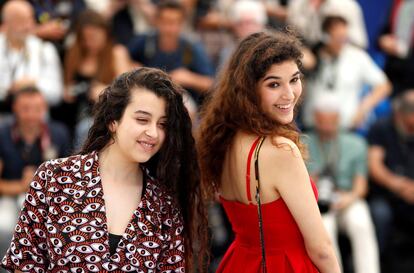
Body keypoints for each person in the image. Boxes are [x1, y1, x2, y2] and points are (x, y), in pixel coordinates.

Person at [1, 68, 208, 273]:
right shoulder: (53, 178)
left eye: (162, 124)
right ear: (113, 121)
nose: (153, 133)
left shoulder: (164, 204)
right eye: (142, 119)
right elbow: (25, 265)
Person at [197, 31, 340, 273]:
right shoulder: (280, 150)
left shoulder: (224, 137)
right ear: (249, 90)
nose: (289, 94)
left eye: (294, 79)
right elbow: (322, 248)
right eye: (274, 84)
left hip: (239, 263)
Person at [303, 93, 380, 273]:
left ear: (338, 119)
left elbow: (361, 186)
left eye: (331, 121)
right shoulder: (303, 143)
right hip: (316, 201)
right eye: (322, 121)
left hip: (348, 198)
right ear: (315, 118)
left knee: (361, 222)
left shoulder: (356, 143)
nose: (327, 127)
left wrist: (349, 198)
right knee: (325, 229)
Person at [0, 86, 70, 262]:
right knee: (4, 226)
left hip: (49, 199)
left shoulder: (59, 134)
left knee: (55, 230)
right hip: (10, 195)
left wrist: (39, 186)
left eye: (37, 109)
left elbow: (69, 180)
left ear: (45, 108)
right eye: (25, 109)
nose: (32, 115)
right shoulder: (2, 134)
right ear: (14, 108)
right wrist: (21, 186)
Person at [302, 15, 391, 130]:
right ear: (325, 37)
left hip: (345, 127)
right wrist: (305, 64)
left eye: (344, 38)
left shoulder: (356, 56)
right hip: (312, 126)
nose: (342, 42)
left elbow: (384, 85)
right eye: (337, 38)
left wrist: (363, 108)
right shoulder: (312, 55)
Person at [56, 9, 132, 133]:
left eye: (94, 37)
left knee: (85, 128)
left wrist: (105, 91)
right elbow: (66, 84)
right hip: (73, 112)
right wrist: (67, 90)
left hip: (101, 113)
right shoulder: (73, 54)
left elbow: (127, 89)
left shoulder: (116, 53)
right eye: (85, 38)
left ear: (105, 33)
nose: (90, 43)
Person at [128, 0, 214, 105]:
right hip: (146, 94)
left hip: (179, 98)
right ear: (157, 21)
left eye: (174, 22)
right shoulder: (145, 41)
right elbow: (123, 57)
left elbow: (210, 83)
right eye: (165, 22)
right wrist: (135, 69)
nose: (169, 28)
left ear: (182, 23)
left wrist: (189, 78)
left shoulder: (191, 47)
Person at [367, 89, 414, 262]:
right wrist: (400, 186)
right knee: (380, 214)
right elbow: (375, 167)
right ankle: (379, 260)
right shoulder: (381, 127)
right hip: (386, 192)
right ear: (402, 114)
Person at [0, 0, 63, 112]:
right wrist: (9, 89)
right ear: (6, 22)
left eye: (30, 19)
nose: (27, 25)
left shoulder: (44, 49)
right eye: (20, 20)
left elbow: (56, 94)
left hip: (37, 116)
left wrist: (32, 85)